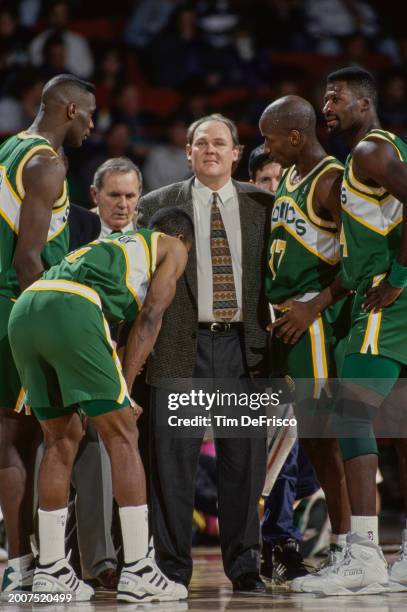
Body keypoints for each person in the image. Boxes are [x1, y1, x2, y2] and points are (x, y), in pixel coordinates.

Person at [8, 208, 194, 602]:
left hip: (26, 309)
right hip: (73, 308)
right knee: (124, 434)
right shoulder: (174, 246)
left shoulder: (112, 245)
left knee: (60, 439)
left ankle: (52, 570)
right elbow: (150, 317)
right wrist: (125, 391)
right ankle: (141, 568)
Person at [137, 113, 273, 594]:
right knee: (172, 464)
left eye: (220, 143)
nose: (210, 150)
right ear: (188, 152)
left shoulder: (264, 204)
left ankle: (245, 567)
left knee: (244, 463)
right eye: (200, 143)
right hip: (178, 349)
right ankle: (172, 569)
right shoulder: (157, 204)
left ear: (237, 153)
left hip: (243, 351)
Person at [291, 66, 407, 596]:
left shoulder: (368, 153)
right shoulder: (381, 150)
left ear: (364, 102)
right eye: (324, 97)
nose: (327, 107)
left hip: (384, 301)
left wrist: (399, 279)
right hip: (384, 298)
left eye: (335, 97)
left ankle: (363, 554)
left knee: (348, 412)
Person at [0, 73, 96, 597]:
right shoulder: (46, 163)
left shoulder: (10, 148)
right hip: (21, 306)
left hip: (6, 307)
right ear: (67, 110)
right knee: (31, 434)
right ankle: (24, 565)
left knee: (26, 434)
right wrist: (52, 332)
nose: (92, 124)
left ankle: (24, 562)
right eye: (88, 114)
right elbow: (27, 259)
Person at [259, 95, 352, 582]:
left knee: (323, 442)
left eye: (269, 138)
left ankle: (347, 548)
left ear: (295, 136)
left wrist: (315, 305)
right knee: (308, 445)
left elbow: (360, 257)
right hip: (286, 323)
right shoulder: (293, 176)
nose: (265, 147)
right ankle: (341, 548)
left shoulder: (331, 179)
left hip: (311, 323)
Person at [90, 157, 142, 237]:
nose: (123, 205)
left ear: (139, 195)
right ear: (95, 194)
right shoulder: (74, 230)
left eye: (129, 196)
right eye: (114, 195)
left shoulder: (153, 232)